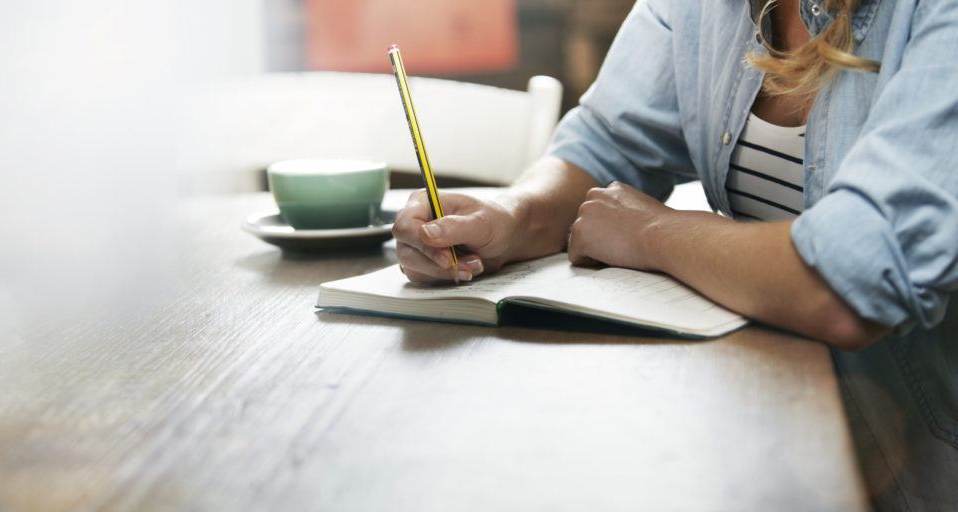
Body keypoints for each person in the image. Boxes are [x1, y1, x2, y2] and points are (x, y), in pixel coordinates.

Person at [393, 0, 958, 509]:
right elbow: (606, 143)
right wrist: (512, 216)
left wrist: (655, 234)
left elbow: (849, 282)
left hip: (918, 467)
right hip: (761, 427)